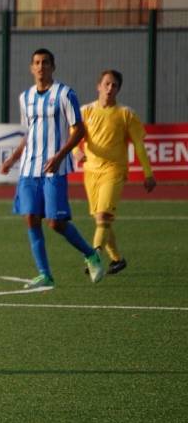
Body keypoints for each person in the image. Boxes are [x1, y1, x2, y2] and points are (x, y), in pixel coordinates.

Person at [0, 48, 104, 288]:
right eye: (36, 62)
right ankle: (44, 275)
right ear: (31, 67)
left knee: (55, 222)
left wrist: (59, 156)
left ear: (52, 67)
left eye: (45, 62)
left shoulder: (65, 94)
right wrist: (13, 159)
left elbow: (79, 130)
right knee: (31, 219)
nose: (40, 67)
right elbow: (29, 133)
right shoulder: (25, 97)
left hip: (54, 168)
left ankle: (91, 254)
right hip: (28, 168)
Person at [74, 69, 156, 275]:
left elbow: (138, 145)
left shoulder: (126, 114)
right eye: (107, 84)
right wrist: (76, 152)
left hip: (114, 171)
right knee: (102, 221)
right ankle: (117, 260)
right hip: (91, 172)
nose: (110, 88)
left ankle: (93, 257)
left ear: (118, 89)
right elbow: (74, 138)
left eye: (114, 85)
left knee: (103, 217)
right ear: (98, 86)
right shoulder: (85, 111)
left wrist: (148, 173)